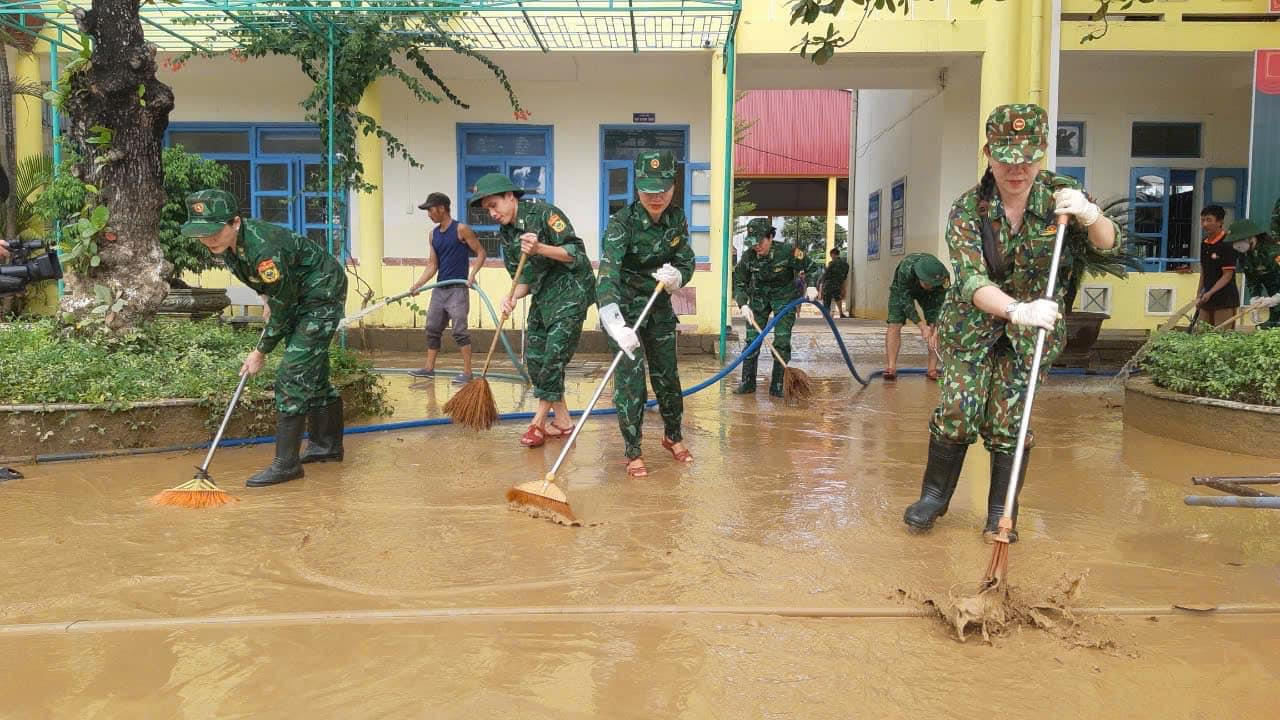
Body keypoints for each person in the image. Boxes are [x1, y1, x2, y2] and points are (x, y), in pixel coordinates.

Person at [902, 104, 1118, 543]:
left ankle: (1001, 511)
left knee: (1011, 420)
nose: (1016, 168)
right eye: (1005, 157)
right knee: (959, 411)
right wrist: (1016, 309)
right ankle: (934, 497)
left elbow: (1108, 245)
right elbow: (970, 279)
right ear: (988, 153)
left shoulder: (1062, 197)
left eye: (1027, 158)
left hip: (1031, 337)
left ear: (1040, 154)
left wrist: (1091, 217)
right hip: (974, 326)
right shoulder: (967, 209)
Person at [181, 189, 349, 487]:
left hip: (320, 295)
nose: (208, 240)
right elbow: (267, 288)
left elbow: (283, 309)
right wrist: (267, 298)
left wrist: (260, 351)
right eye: (202, 233)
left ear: (234, 222)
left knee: (292, 374)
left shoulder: (263, 249)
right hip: (294, 293)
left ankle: (287, 464)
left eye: (214, 232)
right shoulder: (231, 246)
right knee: (311, 369)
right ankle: (327, 446)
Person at [470, 173, 595, 448]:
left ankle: (537, 423)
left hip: (572, 290)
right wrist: (511, 297)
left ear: (510, 197)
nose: (491, 213)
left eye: (494, 205)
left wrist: (540, 248)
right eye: (486, 209)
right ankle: (562, 421)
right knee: (536, 358)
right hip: (544, 294)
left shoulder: (544, 214)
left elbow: (575, 253)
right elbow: (524, 278)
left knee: (553, 357)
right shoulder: (506, 235)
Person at [597, 150, 696, 478]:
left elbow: (686, 259)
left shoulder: (677, 218)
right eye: (648, 190)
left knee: (668, 375)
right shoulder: (621, 223)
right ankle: (633, 449)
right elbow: (607, 274)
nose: (656, 197)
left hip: (658, 308)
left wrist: (678, 277)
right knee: (631, 380)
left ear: (673, 185)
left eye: (663, 190)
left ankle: (673, 436)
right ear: (637, 187)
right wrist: (614, 323)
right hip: (623, 312)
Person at [732, 218, 820, 397]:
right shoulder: (748, 256)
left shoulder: (787, 252)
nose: (757, 246)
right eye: (753, 243)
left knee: (781, 340)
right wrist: (742, 304)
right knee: (752, 340)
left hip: (784, 299)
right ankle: (748, 383)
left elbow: (812, 268)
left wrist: (811, 285)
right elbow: (739, 281)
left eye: (760, 242)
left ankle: (779, 384)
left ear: (770, 237)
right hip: (758, 299)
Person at [407, 192, 486, 383]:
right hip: (439, 290)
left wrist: (472, 275)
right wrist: (418, 284)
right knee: (432, 328)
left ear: (442, 208)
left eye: (430, 210)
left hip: (458, 290)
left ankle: (467, 373)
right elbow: (432, 265)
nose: (429, 214)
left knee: (459, 330)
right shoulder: (433, 235)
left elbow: (481, 252)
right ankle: (428, 368)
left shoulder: (461, 229)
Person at [884, 252, 949, 381]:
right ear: (920, 277)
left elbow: (943, 304)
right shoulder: (905, 269)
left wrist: (936, 328)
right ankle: (891, 367)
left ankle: (932, 369)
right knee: (895, 323)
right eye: (927, 284)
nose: (929, 286)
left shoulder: (942, 276)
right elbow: (905, 301)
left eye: (932, 284)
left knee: (935, 327)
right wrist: (921, 325)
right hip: (902, 290)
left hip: (932, 296)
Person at [1226, 218, 1280, 330]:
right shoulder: (1245, 256)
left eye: (1239, 240)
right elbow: (1252, 279)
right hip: (1274, 303)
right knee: (1269, 328)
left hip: (1276, 296)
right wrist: (1254, 298)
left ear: (1251, 237)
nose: (1236, 245)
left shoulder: (1273, 251)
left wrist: (1278, 297)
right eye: (1234, 242)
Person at [1195, 205, 1240, 329]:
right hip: (1206, 299)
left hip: (1225, 300)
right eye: (1202, 220)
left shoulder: (1228, 244)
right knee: (1201, 334)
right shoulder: (1204, 243)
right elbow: (1204, 271)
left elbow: (1227, 275)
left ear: (1220, 222)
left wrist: (1210, 292)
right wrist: (1199, 294)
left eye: (1209, 220)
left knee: (1221, 338)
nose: (1204, 224)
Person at [821, 248, 849, 318]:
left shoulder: (832, 263)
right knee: (838, 298)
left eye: (831, 255)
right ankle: (841, 313)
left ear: (833, 254)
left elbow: (826, 274)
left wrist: (822, 285)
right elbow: (845, 278)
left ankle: (826, 314)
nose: (831, 257)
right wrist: (844, 288)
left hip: (829, 284)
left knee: (826, 299)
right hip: (838, 284)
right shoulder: (846, 265)